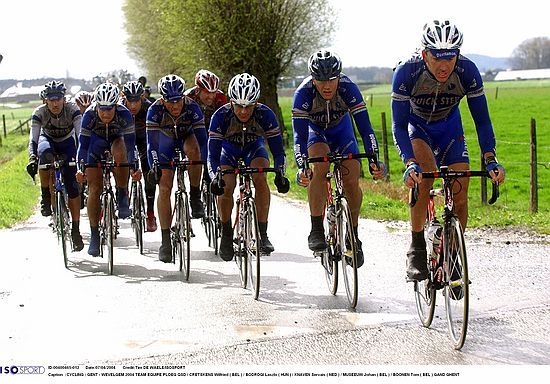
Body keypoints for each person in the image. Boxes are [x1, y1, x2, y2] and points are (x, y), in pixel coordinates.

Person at [392, 20, 506, 281]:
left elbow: (483, 121)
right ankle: (417, 247)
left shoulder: (468, 71)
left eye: (450, 57)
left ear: (458, 54)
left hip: (450, 130)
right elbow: (398, 126)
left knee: (461, 188)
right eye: (437, 57)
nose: (444, 65)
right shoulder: (406, 72)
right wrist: (409, 161)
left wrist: (490, 157)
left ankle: (453, 255)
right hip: (417, 129)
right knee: (426, 176)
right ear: (424, 54)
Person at [292, 49, 385, 268]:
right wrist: (301, 166)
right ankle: (316, 228)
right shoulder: (303, 94)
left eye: (332, 79)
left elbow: (365, 128)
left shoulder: (348, 88)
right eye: (321, 80)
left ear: (339, 77)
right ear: (313, 79)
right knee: (319, 163)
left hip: (341, 131)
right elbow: (299, 136)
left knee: (352, 176)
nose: (327, 85)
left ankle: (353, 235)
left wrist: (374, 159)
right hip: (316, 133)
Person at [208, 73, 289, 261]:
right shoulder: (220, 116)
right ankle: (226, 233)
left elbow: (278, 152)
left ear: (256, 103)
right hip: (228, 150)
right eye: (238, 106)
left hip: (254, 148)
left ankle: (262, 234)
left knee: (260, 178)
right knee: (226, 185)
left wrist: (280, 174)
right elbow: (212, 155)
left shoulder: (265, 114)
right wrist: (215, 177)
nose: (243, 112)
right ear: (230, 102)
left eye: (249, 106)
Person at [146, 74, 207, 262]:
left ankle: (195, 196)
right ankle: (165, 241)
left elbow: (203, 141)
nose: (175, 106)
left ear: (184, 97)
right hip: (164, 144)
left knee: (195, 150)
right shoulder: (154, 111)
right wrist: (154, 165)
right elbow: (151, 145)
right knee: (164, 188)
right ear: (162, 99)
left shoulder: (193, 107)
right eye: (170, 102)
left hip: (186, 138)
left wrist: (205, 163)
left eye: (178, 100)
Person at [76, 82, 140, 257]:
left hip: (116, 140)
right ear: (96, 105)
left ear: (115, 106)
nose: (105, 113)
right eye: (102, 109)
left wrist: (134, 165)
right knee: (94, 188)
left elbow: (131, 144)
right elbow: (82, 146)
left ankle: (121, 194)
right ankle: (95, 235)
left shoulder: (124, 114)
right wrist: (81, 168)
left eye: (109, 109)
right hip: (94, 146)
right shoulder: (89, 115)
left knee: (121, 150)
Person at [26, 80, 84, 251]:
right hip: (48, 140)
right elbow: (33, 139)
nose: (55, 103)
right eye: (51, 99)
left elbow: (80, 136)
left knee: (73, 188)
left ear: (64, 99)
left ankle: (75, 230)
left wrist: (81, 159)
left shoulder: (72, 110)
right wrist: (32, 158)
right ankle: (45, 195)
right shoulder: (39, 113)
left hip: (67, 142)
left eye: (58, 98)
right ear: (45, 101)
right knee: (44, 156)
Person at [121, 80, 157, 232]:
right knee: (122, 166)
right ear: (124, 98)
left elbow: (154, 137)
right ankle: (123, 195)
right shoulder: (119, 108)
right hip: (125, 140)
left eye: (137, 101)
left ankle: (150, 212)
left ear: (142, 97)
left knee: (149, 171)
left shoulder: (149, 108)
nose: (134, 105)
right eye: (130, 101)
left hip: (144, 140)